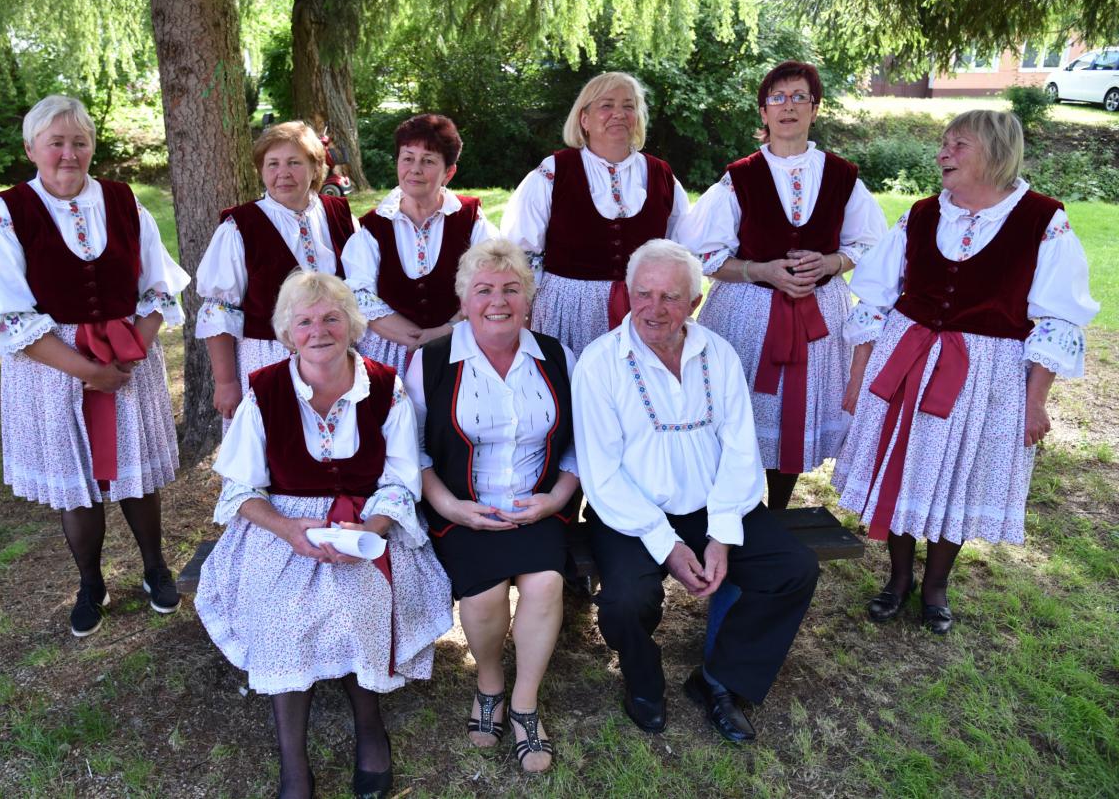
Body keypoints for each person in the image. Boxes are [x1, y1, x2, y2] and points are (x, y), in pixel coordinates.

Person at [835, 110, 1098, 635]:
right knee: (904, 464)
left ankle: (936, 585)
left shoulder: (1043, 221)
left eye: (959, 145)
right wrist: (858, 378)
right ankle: (899, 578)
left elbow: (1057, 319)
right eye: (944, 143)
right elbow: (875, 298)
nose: (943, 154)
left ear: (995, 153)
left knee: (960, 472)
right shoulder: (921, 214)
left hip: (986, 374)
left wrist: (1035, 402)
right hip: (907, 358)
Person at [195, 271, 453, 799]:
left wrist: (371, 529)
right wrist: (287, 529)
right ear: (288, 333)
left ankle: (370, 730)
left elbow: (401, 478)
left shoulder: (385, 386)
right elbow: (240, 487)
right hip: (283, 526)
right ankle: (294, 762)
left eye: (332, 318)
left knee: (361, 601)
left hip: (368, 521)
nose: (319, 330)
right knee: (279, 615)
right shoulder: (264, 390)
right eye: (305, 321)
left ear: (352, 325)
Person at [572, 239, 819, 743]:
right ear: (628, 293)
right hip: (631, 512)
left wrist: (721, 534)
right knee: (626, 601)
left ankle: (719, 680)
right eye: (643, 294)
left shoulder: (718, 354)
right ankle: (642, 678)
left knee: (792, 570)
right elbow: (603, 475)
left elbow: (740, 449)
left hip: (714, 503)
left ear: (695, 302)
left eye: (670, 297)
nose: (654, 308)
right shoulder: (599, 364)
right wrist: (667, 545)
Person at [0, 94, 189, 637]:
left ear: (92, 147)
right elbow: (9, 318)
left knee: (135, 473)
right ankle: (91, 583)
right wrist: (88, 371)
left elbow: (158, 286)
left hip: (128, 358)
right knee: (79, 481)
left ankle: (155, 569)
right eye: (56, 143)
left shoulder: (123, 201)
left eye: (79, 142)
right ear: (31, 149)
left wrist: (130, 352)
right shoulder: (8, 213)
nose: (69, 153)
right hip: (52, 368)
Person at [405, 239, 578, 773]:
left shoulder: (557, 356)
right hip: (463, 507)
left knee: (545, 583)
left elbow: (580, 446)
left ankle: (525, 704)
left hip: (538, 506)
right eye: (484, 290)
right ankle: (489, 683)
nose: (498, 301)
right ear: (464, 301)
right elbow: (412, 451)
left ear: (528, 298)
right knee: (483, 594)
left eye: (511, 289)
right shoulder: (432, 361)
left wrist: (555, 499)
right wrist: (450, 506)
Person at [685, 61, 887, 511]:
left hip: (819, 314)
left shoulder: (842, 176)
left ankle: (777, 511)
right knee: (741, 409)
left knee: (796, 409)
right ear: (763, 112)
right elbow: (704, 255)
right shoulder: (740, 177)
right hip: (748, 313)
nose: (788, 106)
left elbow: (871, 245)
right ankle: (736, 510)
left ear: (815, 109)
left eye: (799, 97)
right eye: (777, 98)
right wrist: (761, 270)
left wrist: (832, 262)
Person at [502, 72, 696, 359]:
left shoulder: (661, 174)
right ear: (584, 119)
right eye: (606, 105)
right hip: (568, 312)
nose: (619, 114)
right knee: (570, 382)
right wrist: (525, 314)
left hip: (642, 311)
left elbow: (681, 250)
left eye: (628, 106)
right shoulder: (554, 171)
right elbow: (522, 252)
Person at [196, 121, 356, 424]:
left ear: (315, 167)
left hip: (336, 357)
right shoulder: (240, 226)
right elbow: (219, 309)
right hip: (269, 359)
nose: (283, 173)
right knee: (277, 441)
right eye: (273, 164)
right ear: (261, 170)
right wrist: (226, 381)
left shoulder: (340, 214)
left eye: (294, 162)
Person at [343, 113, 499, 376]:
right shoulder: (374, 227)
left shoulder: (470, 219)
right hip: (390, 350)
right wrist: (415, 339)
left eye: (428, 161)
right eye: (407, 158)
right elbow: (360, 296)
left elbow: (489, 284)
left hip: (459, 343)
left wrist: (443, 332)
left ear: (449, 172)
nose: (415, 169)